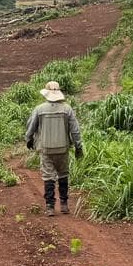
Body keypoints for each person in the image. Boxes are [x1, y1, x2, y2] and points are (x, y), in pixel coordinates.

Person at [25, 80, 83, 216]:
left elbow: (30, 127)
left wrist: (29, 140)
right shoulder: (67, 109)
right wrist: (78, 147)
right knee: (63, 174)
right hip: (63, 149)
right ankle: (64, 204)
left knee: (48, 176)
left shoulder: (39, 109)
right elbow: (75, 131)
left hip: (46, 149)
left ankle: (50, 206)